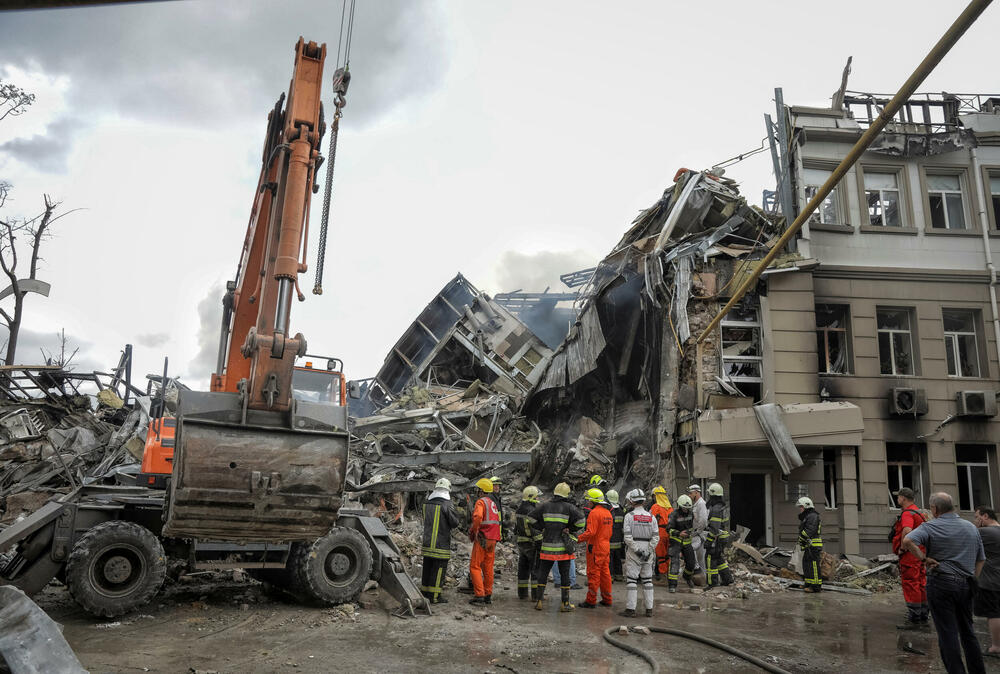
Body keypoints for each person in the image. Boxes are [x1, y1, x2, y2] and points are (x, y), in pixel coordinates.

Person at [902, 492, 985, 674]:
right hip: (966, 584)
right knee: (968, 632)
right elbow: (981, 559)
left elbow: (907, 540)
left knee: (948, 633)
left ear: (935, 509)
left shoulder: (931, 526)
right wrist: (972, 578)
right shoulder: (971, 527)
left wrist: (924, 559)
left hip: (941, 583)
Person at [527, 482, 586, 612]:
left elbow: (530, 518)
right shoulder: (569, 507)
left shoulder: (544, 506)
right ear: (566, 494)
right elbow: (582, 521)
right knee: (564, 575)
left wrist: (542, 526)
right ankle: (565, 603)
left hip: (547, 547)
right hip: (563, 549)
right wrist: (570, 528)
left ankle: (539, 601)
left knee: (543, 573)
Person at [892, 487, 929, 627]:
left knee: (910, 583)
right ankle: (923, 613)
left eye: (898, 497)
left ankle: (914, 617)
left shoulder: (907, 513)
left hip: (910, 555)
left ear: (903, 498)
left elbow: (907, 530)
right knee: (921, 582)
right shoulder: (919, 513)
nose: (897, 499)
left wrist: (902, 548)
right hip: (920, 553)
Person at [420, 477, 460, 604]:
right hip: (440, 545)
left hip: (427, 544)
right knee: (438, 571)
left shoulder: (426, 503)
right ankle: (435, 596)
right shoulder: (446, 505)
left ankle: (425, 593)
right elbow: (455, 523)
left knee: (427, 568)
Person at [621, 488, 658, 618]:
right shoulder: (652, 517)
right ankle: (649, 609)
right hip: (648, 550)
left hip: (634, 551)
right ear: (643, 500)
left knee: (632, 580)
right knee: (648, 581)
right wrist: (648, 550)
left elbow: (627, 537)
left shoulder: (629, 516)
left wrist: (637, 550)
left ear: (632, 501)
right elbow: (656, 537)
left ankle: (631, 609)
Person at [578, 488, 614, 608]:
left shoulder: (594, 513)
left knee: (594, 574)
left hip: (595, 547)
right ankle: (607, 599)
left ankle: (591, 600)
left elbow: (590, 532)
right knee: (605, 574)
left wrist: (578, 538)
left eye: (589, 500)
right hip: (605, 546)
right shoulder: (607, 513)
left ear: (593, 501)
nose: (588, 502)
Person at [468, 477, 502, 606]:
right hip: (493, 539)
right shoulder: (492, 503)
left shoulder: (481, 502)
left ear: (481, 490)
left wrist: (474, 531)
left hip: (483, 537)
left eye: (478, 489)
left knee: (475, 566)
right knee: (488, 567)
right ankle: (488, 595)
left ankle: (479, 596)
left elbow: (477, 517)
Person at [974, 505, 1000, 658]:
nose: (975, 521)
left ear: (985, 516)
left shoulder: (985, 532)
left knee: (994, 613)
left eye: (977, 517)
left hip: (991, 580)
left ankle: (996, 647)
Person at [514, 486, 542, 600]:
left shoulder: (519, 510)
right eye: (537, 496)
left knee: (523, 569)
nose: (538, 498)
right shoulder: (531, 511)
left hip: (521, 543)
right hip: (531, 543)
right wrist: (540, 542)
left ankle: (522, 593)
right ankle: (535, 596)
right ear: (531, 497)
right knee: (535, 569)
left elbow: (516, 528)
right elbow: (534, 529)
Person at [666, 495, 697, 593]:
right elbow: (668, 529)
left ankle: (687, 577)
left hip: (687, 542)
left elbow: (691, 527)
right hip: (676, 542)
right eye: (684, 507)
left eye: (688, 508)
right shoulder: (673, 515)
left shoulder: (691, 514)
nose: (686, 510)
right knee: (675, 563)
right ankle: (672, 585)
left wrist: (689, 532)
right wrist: (679, 533)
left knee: (691, 563)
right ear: (680, 506)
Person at [704, 482, 733, 588]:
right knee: (719, 559)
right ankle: (727, 579)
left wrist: (709, 540)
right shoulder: (723, 507)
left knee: (710, 558)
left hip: (716, 538)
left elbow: (715, 529)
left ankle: (712, 583)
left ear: (713, 495)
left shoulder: (716, 510)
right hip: (723, 537)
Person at [797, 496, 823, 593]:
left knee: (814, 566)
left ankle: (816, 587)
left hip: (813, 546)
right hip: (809, 545)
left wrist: (801, 538)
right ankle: (808, 584)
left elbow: (809, 531)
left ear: (806, 506)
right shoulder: (809, 516)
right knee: (807, 565)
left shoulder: (812, 516)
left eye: (801, 507)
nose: (800, 509)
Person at [649, 485, 672, 580]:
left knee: (661, 555)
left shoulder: (655, 507)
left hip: (660, 533)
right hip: (670, 533)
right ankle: (669, 574)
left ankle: (662, 575)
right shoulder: (670, 508)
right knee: (668, 555)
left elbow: (650, 520)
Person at [688, 484, 708, 576]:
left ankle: (703, 577)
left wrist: (698, 531)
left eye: (691, 493)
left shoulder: (701, 503)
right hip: (696, 533)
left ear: (696, 492)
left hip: (699, 534)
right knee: (698, 558)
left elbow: (703, 520)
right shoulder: (696, 504)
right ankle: (701, 577)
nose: (689, 495)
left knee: (700, 558)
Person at [607, 489, 625, 582]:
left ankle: (610, 576)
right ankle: (619, 575)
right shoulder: (622, 511)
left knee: (609, 558)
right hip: (619, 539)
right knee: (617, 558)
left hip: (609, 539)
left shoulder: (608, 510)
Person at [489, 475, 508, 541]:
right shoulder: (490, 498)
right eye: (494, 485)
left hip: (497, 533)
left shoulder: (497, 497)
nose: (497, 487)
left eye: (498, 485)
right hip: (492, 534)